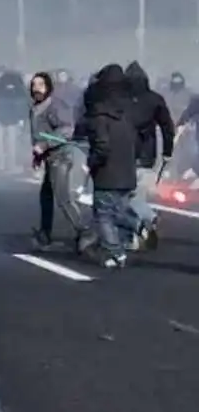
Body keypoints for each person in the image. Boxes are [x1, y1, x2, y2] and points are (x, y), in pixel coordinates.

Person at [81, 64, 139, 268]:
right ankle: (124, 242)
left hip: (107, 173)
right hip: (127, 170)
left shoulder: (99, 117)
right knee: (120, 211)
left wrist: (92, 162)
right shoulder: (128, 112)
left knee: (104, 214)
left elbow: (102, 146)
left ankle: (117, 252)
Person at [28, 71, 90, 250]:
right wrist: (38, 155)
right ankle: (44, 233)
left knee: (63, 197)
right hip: (50, 157)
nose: (36, 89)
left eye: (40, 85)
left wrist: (45, 144)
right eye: (34, 85)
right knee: (45, 195)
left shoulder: (54, 105)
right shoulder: (35, 107)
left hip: (61, 156)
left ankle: (84, 231)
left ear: (48, 87)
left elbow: (67, 129)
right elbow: (37, 135)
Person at [124, 61, 175, 250]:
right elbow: (167, 127)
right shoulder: (155, 99)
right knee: (137, 194)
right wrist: (167, 152)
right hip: (147, 155)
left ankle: (141, 225)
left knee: (124, 196)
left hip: (124, 154)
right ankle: (143, 223)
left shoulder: (121, 100)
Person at [0, 69, 29, 172]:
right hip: (12, 119)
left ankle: (1, 165)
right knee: (11, 144)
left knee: (0, 143)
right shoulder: (20, 90)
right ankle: (9, 165)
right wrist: (21, 119)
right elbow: (23, 106)